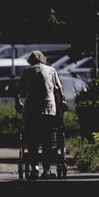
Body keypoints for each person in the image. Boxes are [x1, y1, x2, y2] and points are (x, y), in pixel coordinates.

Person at [15, 50, 66, 180]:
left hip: (31, 111)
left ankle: (34, 169)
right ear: (43, 59)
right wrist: (62, 103)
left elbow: (17, 90)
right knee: (47, 142)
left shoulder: (26, 72)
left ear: (30, 61)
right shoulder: (51, 70)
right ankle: (47, 170)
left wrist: (18, 103)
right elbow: (59, 91)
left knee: (32, 141)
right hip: (48, 110)